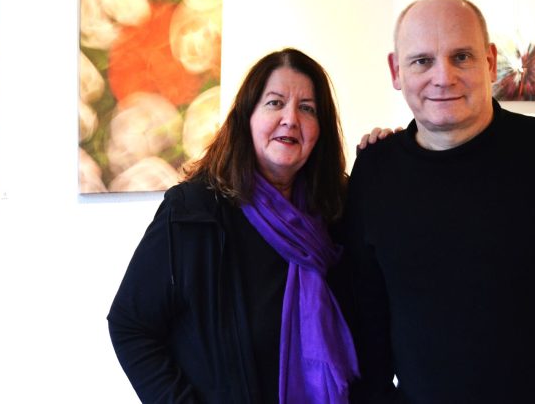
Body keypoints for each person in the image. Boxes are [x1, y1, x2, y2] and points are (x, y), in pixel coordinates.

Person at [107, 48, 359, 403]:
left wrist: (383, 152)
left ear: (320, 129)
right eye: (275, 103)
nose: (291, 119)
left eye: (307, 108)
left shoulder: (336, 213)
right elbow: (131, 324)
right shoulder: (194, 211)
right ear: (247, 117)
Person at [343, 0, 535, 403]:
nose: (443, 77)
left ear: (490, 62)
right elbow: (365, 315)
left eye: (461, 57)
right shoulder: (375, 170)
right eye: (422, 61)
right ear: (396, 70)